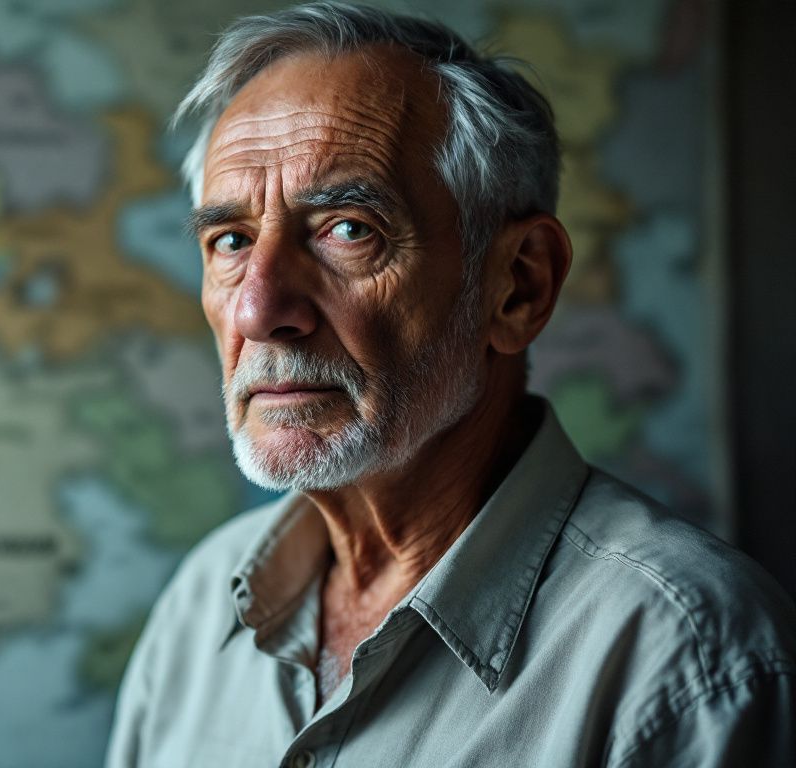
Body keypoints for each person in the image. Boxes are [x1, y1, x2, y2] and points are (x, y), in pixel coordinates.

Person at [104, 3, 796, 767]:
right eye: (230, 241)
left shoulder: (691, 659)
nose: (259, 307)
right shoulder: (203, 605)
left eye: (347, 229)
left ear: (517, 287)